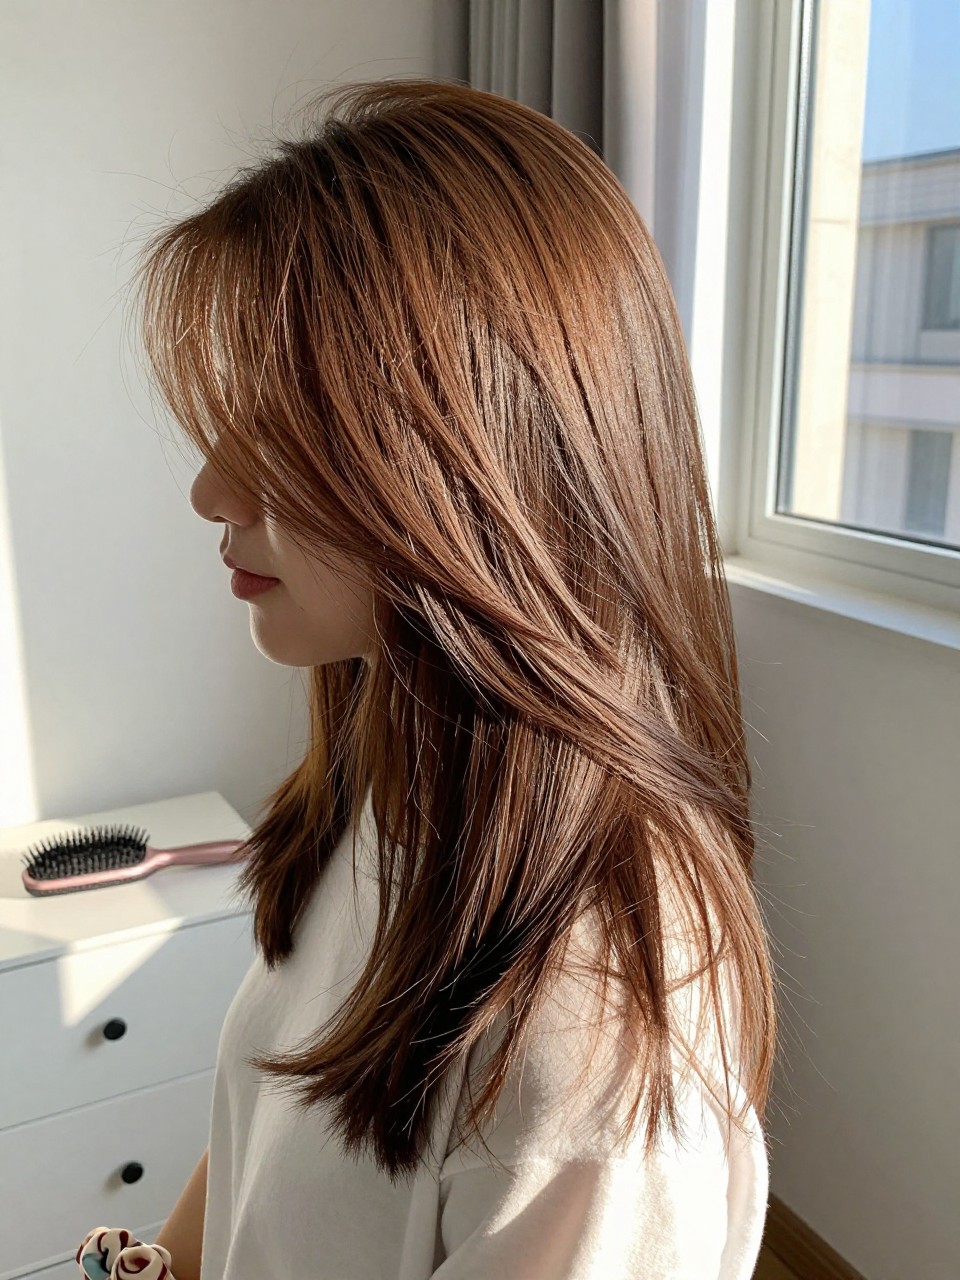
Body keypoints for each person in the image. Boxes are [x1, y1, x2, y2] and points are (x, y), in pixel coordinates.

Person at [131, 76, 779, 1280]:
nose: (210, 493)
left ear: (471, 455)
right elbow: (276, 1123)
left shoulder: (592, 1044)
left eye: (276, 428)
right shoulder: (402, 765)